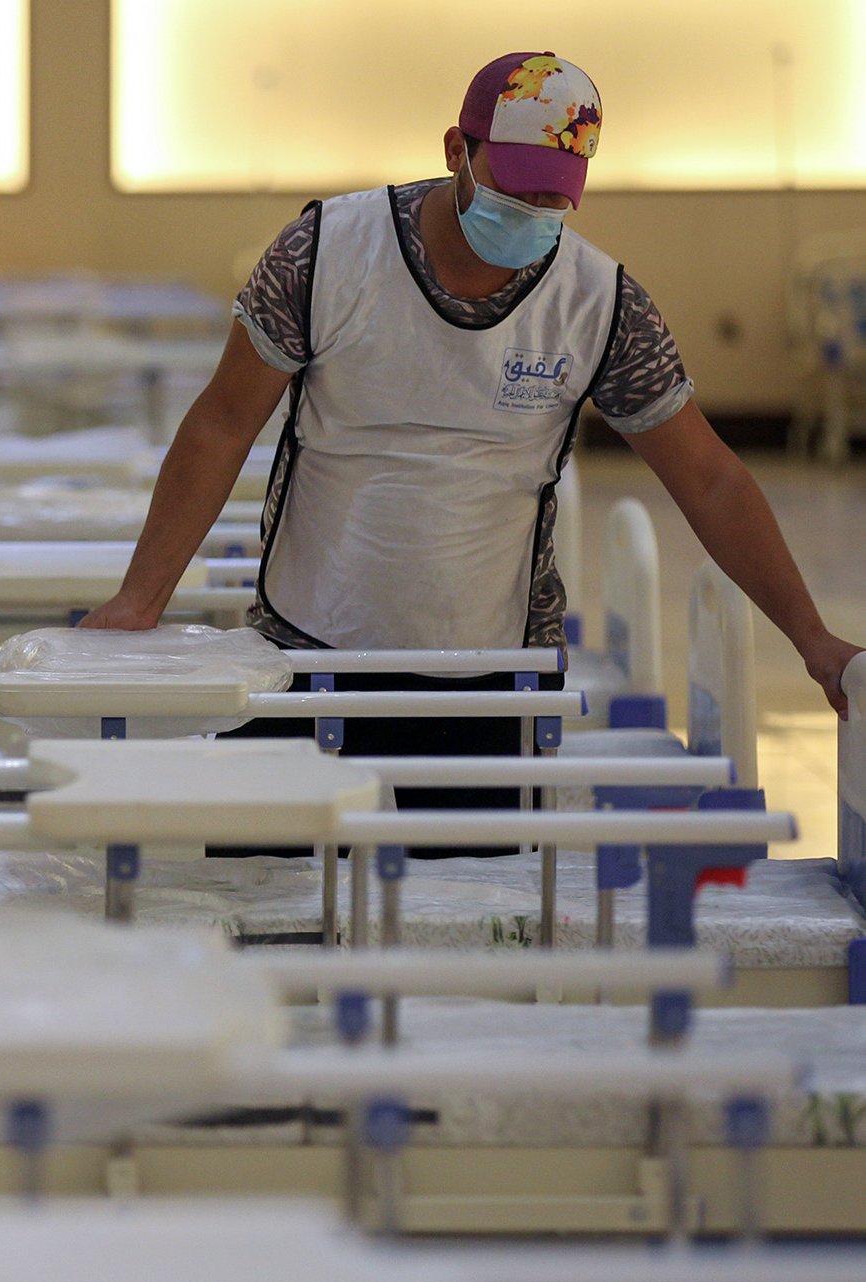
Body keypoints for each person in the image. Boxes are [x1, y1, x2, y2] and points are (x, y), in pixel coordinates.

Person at [81, 52, 860, 811]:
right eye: (514, 189)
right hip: (305, 650)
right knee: (282, 904)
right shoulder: (325, 253)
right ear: (456, 148)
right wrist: (139, 598)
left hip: (491, 672)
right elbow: (220, 425)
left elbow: (709, 477)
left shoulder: (599, 303)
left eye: (553, 200)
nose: (530, 216)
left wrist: (811, 637)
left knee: (470, 912)